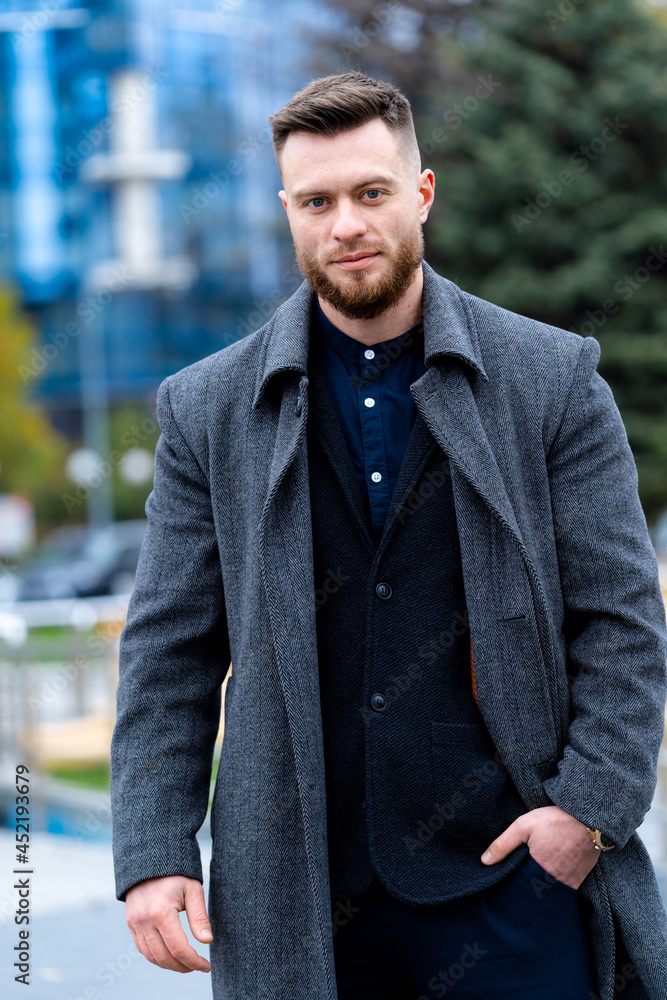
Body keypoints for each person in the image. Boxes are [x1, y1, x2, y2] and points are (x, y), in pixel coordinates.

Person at [110, 71, 667, 1000]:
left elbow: (620, 622)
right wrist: (152, 850)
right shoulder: (207, 410)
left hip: (512, 885)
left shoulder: (552, 381)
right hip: (297, 894)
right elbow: (168, 650)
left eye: (370, 193)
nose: (346, 226)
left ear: (421, 192)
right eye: (316, 201)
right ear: (287, 209)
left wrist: (584, 812)